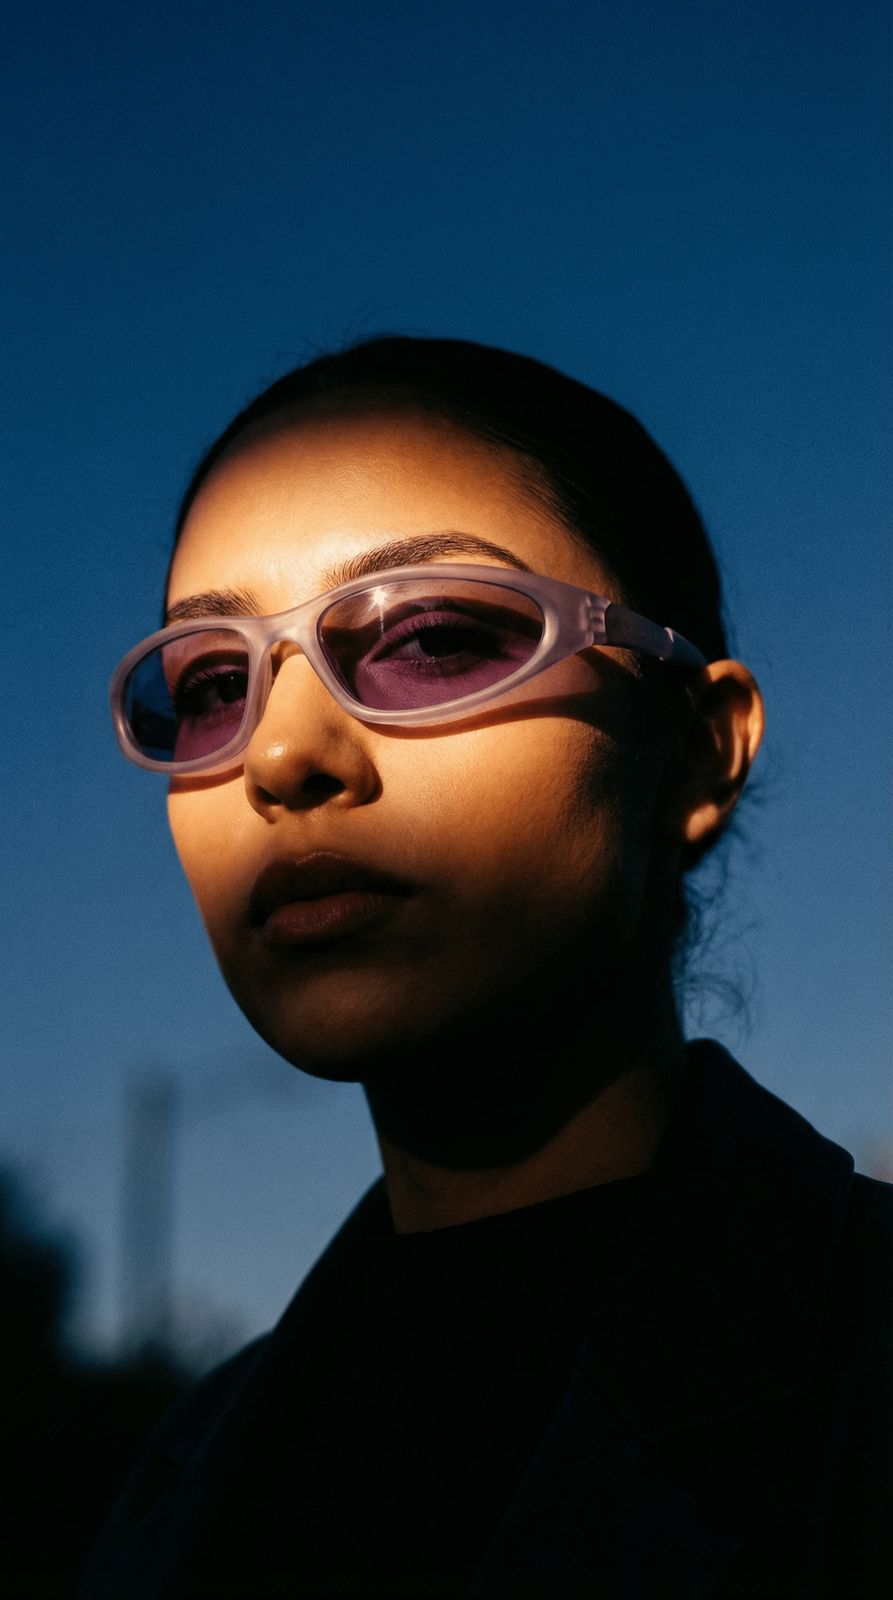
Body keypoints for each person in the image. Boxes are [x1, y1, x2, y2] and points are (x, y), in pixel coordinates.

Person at [85, 337, 891, 1598]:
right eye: (211, 682)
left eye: (433, 634)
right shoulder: (180, 1470)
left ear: (691, 750)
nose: (281, 755)